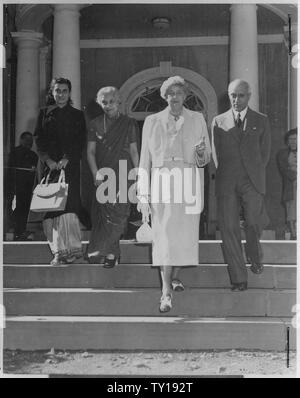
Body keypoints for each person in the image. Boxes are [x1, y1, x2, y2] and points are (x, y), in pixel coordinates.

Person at [137, 76, 211, 312]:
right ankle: (166, 291)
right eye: (171, 93)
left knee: (184, 235)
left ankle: (174, 277)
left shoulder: (197, 118)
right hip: (162, 181)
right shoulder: (151, 120)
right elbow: (144, 160)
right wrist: (142, 194)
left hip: (188, 180)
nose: (175, 96)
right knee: (165, 236)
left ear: (186, 95)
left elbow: (204, 158)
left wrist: (200, 150)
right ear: (165, 96)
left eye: (179, 92)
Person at [211, 79, 271, 291]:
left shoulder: (261, 120)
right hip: (227, 181)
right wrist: (226, 174)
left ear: (249, 96)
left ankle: (254, 255)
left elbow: (264, 154)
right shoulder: (218, 121)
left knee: (253, 222)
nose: (236, 100)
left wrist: (253, 174)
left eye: (241, 95)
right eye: (232, 96)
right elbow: (216, 154)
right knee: (229, 229)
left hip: (252, 181)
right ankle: (238, 278)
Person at [34, 77, 87, 265]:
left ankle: (73, 251)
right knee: (51, 209)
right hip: (50, 169)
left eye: (64, 91)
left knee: (69, 208)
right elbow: (39, 140)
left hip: (69, 168)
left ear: (69, 93)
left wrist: (67, 158)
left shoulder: (77, 115)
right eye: (57, 91)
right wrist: (48, 160)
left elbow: (80, 140)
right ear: (52, 92)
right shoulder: (44, 113)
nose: (61, 94)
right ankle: (58, 252)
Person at [86, 86, 140, 267]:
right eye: (104, 102)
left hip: (125, 171)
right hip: (105, 173)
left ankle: (107, 250)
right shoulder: (94, 124)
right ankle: (111, 254)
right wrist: (95, 173)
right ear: (99, 103)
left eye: (111, 101)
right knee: (106, 214)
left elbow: (134, 150)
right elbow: (91, 152)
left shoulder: (129, 123)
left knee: (120, 212)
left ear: (118, 101)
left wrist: (139, 174)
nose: (108, 105)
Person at [8, 132, 38, 240]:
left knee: (23, 208)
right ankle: (17, 230)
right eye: (26, 139)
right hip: (17, 185)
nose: (29, 142)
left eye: (31, 140)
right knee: (19, 208)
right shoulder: (16, 152)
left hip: (26, 186)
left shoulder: (33, 155)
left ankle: (20, 230)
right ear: (21, 140)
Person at [277, 128, 297, 240]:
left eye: (295, 139)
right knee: (291, 214)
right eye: (290, 139)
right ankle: (294, 236)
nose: (293, 141)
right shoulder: (282, 154)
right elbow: (284, 170)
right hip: (291, 187)